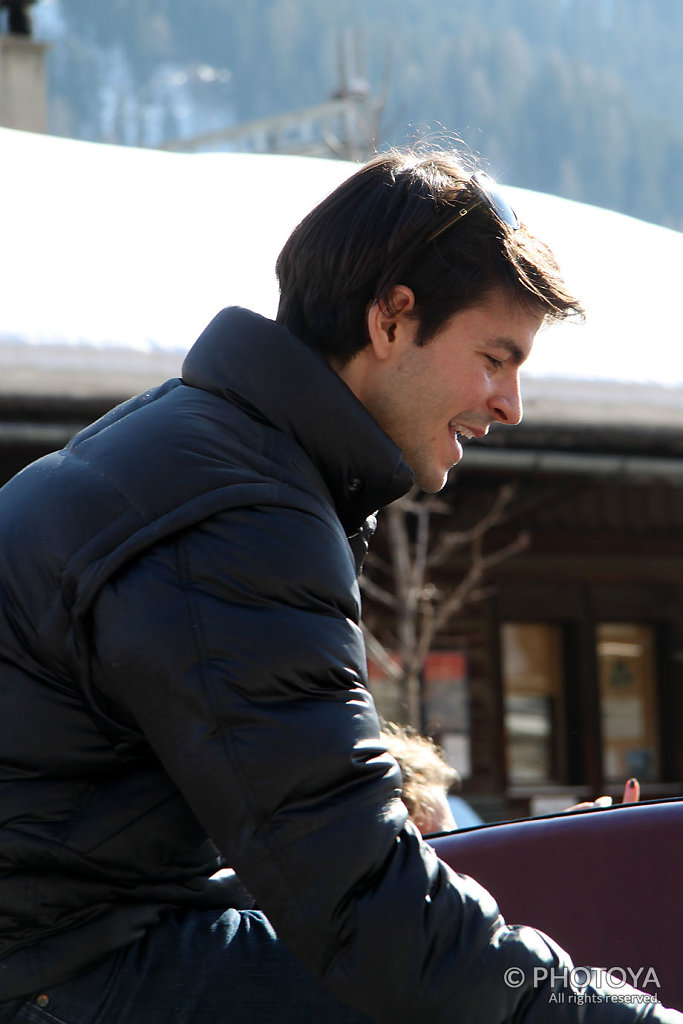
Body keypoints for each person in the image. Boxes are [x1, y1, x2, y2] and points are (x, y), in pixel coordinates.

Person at [0, 147, 679, 1023]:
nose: (510, 403)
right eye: (495, 356)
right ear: (392, 320)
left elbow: (300, 846)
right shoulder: (240, 514)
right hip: (57, 966)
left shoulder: (201, 449)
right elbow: (359, 901)